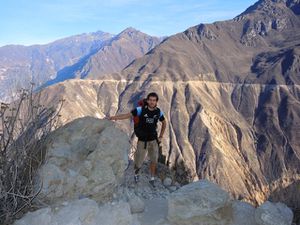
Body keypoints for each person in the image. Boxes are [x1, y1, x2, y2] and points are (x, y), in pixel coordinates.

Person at [108, 92, 167, 187]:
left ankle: (152, 178)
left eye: (154, 100)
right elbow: (128, 115)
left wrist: (161, 136)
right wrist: (114, 118)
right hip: (142, 141)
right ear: (147, 101)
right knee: (139, 161)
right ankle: (136, 174)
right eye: (150, 100)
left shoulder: (158, 112)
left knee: (154, 160)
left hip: (153, 140)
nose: (152, 102)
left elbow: (164, 123)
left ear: (156, 102)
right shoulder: (140, 110)